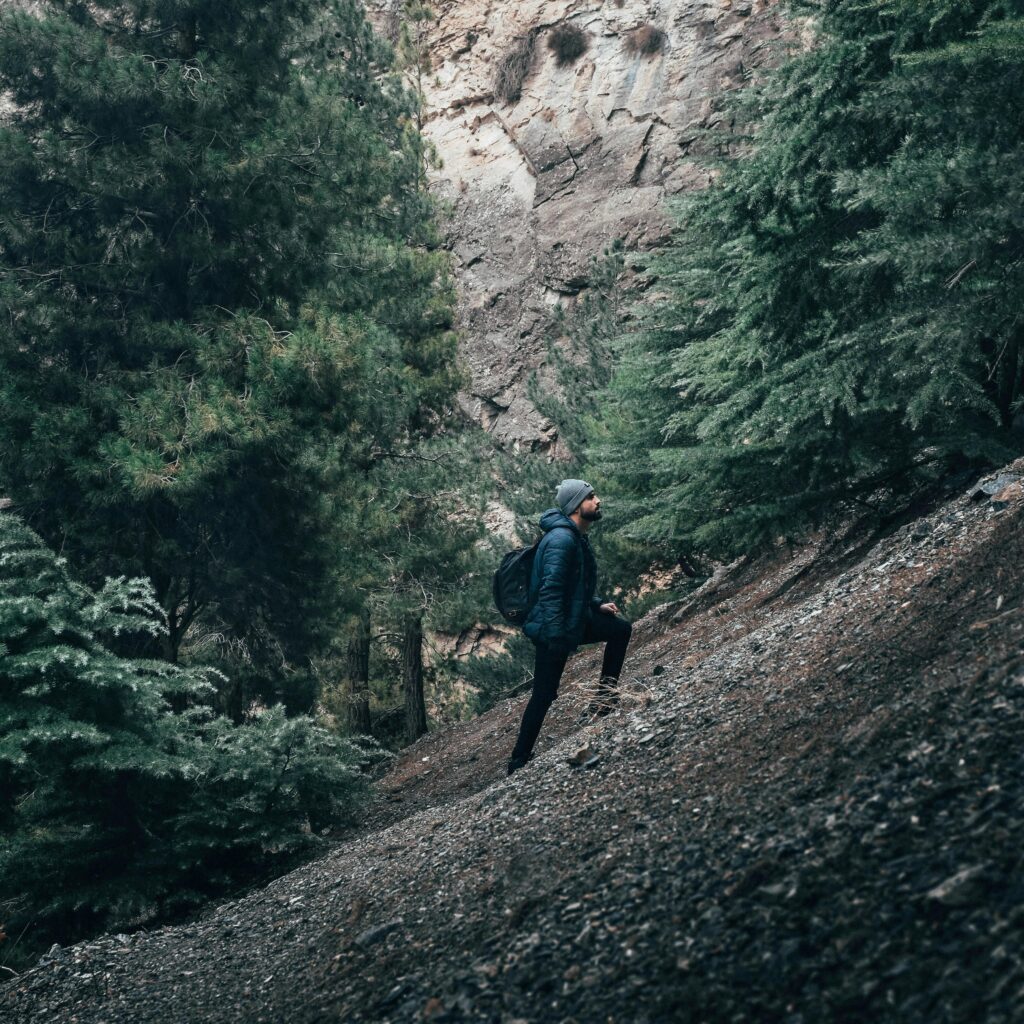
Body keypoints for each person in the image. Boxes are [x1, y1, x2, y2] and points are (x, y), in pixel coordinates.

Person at [507, 479, 632, 775]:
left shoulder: (575, 536)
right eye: (591, 497)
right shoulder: (562, 540)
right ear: (577, 505)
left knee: (619, 629)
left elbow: (577, 586)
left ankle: (604, 699)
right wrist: (556, 636)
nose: (598, 501)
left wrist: (596, 604)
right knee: (544, 694)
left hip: (571, 619)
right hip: (554, 628)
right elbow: (550, 591)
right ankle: (518, 761)